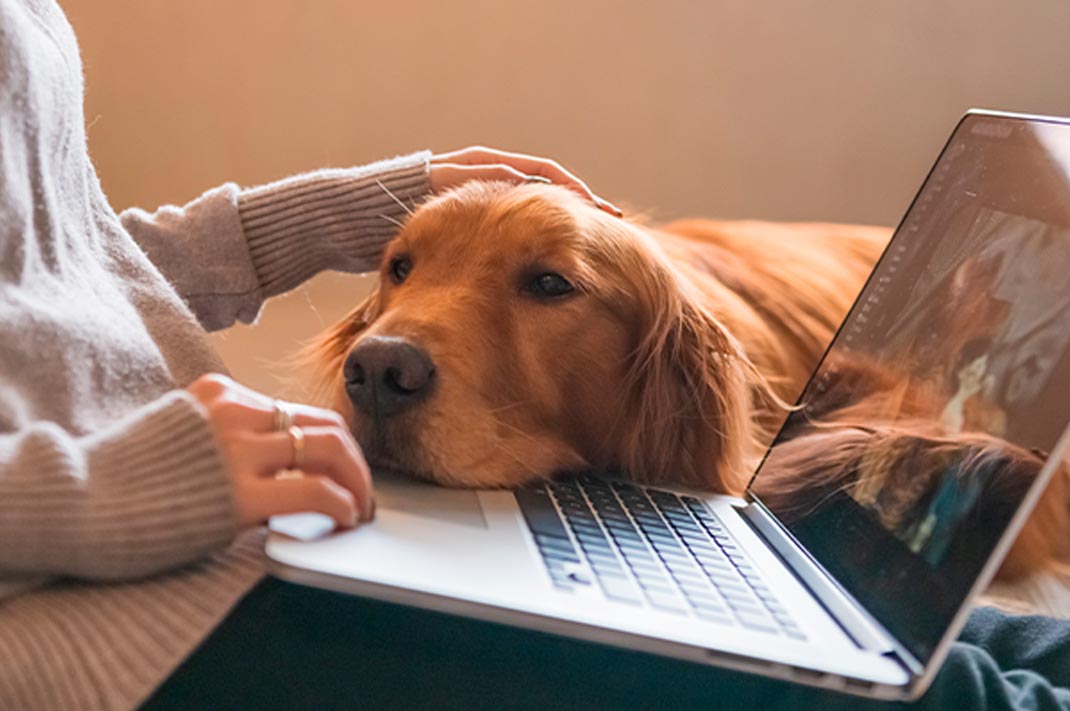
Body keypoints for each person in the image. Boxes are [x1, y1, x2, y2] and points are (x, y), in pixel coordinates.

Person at [0, 1, 1067, 709]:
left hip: (198, 515)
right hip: (104, 603)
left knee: (931, 639)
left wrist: (343, 215)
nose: (383, 351)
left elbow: (45, 253)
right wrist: (113, 492)